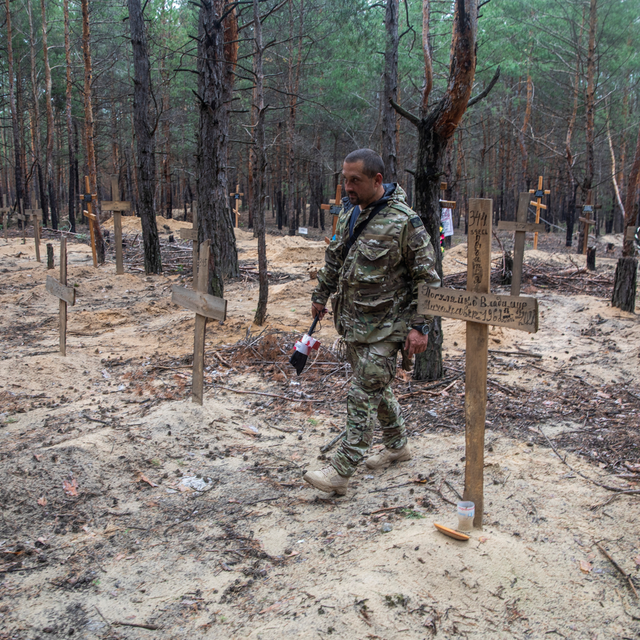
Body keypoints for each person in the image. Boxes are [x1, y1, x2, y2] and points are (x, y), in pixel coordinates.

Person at [303, 149, 441, 496]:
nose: (347, 186)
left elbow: (429, 280)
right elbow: (335, 258)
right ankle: (397, 446)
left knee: (362, 392)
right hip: (354, 324)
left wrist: (419, 327)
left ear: (377, 181)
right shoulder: (351, 214)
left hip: (389, 327)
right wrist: (321, 296)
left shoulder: (405, 222)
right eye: (344, 179)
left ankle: (341, 471)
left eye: (355, 180)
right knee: (378, 389)